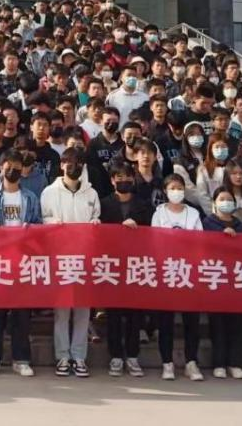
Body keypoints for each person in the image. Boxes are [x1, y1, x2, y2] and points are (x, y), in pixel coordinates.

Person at [0, 149, 40, 377]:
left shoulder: (30, 198)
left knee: (21, 315)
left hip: (22, 262)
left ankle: (21, 360)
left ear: (23, 169)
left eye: (17, 166)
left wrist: (31, 229)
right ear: (1, 168)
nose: (12, 170)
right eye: (8, 166)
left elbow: (39, 224)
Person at [40, 147, 100, 378]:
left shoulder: (91, 193)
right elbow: (42, 220)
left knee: (83, 312)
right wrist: (52, 223)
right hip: (60, 260)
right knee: (62, 313)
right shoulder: (49, 192)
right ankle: (63, 356)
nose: (73, 167)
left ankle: (79, 357)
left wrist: (95, 223)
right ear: (62, 165)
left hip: (84, 260)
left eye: (78, 163)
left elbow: (96, 219)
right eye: (69, 162)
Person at [151, 173, 204, 381]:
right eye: (172, 188)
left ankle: (191, 362)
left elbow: (200, 241)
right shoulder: (159, 213)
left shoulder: (193, 213)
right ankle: (167, 363)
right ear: (165, 191)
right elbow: (154, 240)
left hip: (189, 272)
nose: (176, 192)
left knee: (192, 321)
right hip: (167, 271)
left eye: (179, 188)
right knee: (166, 321)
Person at [100, 159, 145, 377]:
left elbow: (152, 234)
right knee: (114, 315)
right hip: (112, 266)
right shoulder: (104, 204)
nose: (124, 181)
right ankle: (116, 356)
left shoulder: (143, 205)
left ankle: (133, 356)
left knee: (135, 314)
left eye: (128, 177)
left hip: (137, 265)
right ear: (112, 180)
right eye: (119, 177)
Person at [201, 188, 242, 379]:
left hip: (237, 278)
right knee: (218, 324)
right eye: (222, 199)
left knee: (237, 324)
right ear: (214, 202)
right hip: (216, 277)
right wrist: (221, 235)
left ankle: (235, 363)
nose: (226, 202)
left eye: (229, 199)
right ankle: (219, 363)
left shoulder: (240, 225)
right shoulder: (207, 223)